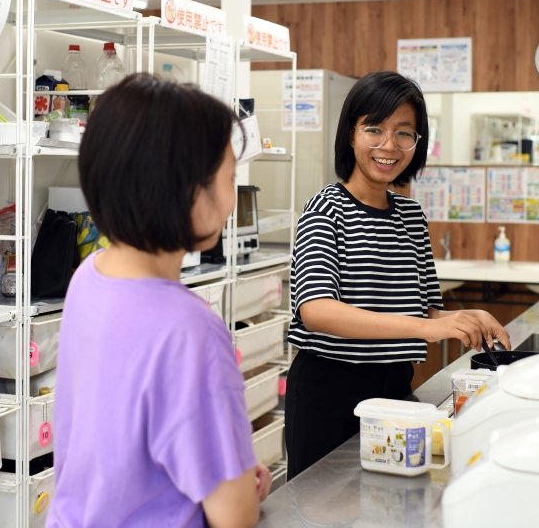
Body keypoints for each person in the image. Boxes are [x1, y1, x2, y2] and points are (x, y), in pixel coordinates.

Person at [50, 74, 271, 528]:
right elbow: (235, 517)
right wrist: (243, 487)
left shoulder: (88, 276)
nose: (232, 198)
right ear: (189, 192)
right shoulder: (191, 330)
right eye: (230, 177)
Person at [284, 71, 511, 479]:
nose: (389, 146)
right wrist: (428, 330)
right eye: (374, 129)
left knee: (383, 503)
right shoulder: (325, 208)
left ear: (418, 143)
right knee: (320, 512)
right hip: (328, 389)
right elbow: (317, 311)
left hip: (394, 389)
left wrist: (466, 317)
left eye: (404, 133)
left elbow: (425, 313)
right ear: (351, 134)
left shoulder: (410, 216)